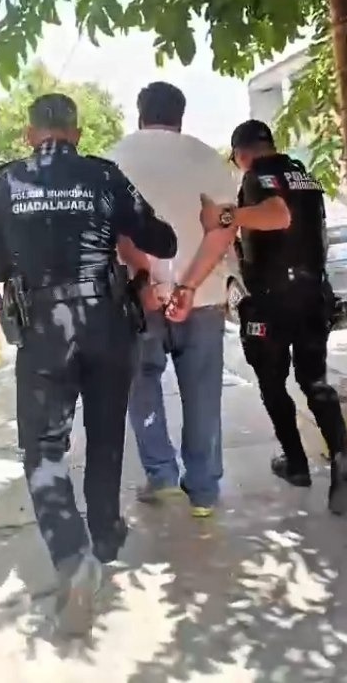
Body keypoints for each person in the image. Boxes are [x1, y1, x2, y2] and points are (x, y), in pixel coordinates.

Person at [0, 93, 177, 633]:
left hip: (44, 330)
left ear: (29, 135)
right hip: (106, 321)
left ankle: (72, 556)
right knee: (106, 435)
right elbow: (162, 239)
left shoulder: (5, 183)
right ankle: (105, 537)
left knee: (43, 449)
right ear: (77, 133)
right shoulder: (103, 175)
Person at [176, 118, 347, 516]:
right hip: (314, 293)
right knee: (314, 380)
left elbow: (278, 215)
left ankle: (296, 463)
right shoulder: (303, 175)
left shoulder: (258, 176)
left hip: (273, 302)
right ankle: (342, 454)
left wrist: (227, 217)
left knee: (272, 382)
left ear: (241, 154)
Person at [107, 82, 237, 517]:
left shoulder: (114, 159)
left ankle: (162, 475)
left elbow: (115, 232)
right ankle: (203, 490)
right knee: (203, 394)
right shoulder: (207, 158)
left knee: (141, 385)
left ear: (139, 113)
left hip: (138, 298)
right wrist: (188, 286)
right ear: (181, 116)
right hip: (203, 298)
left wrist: (150, 280)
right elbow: (223, 229)